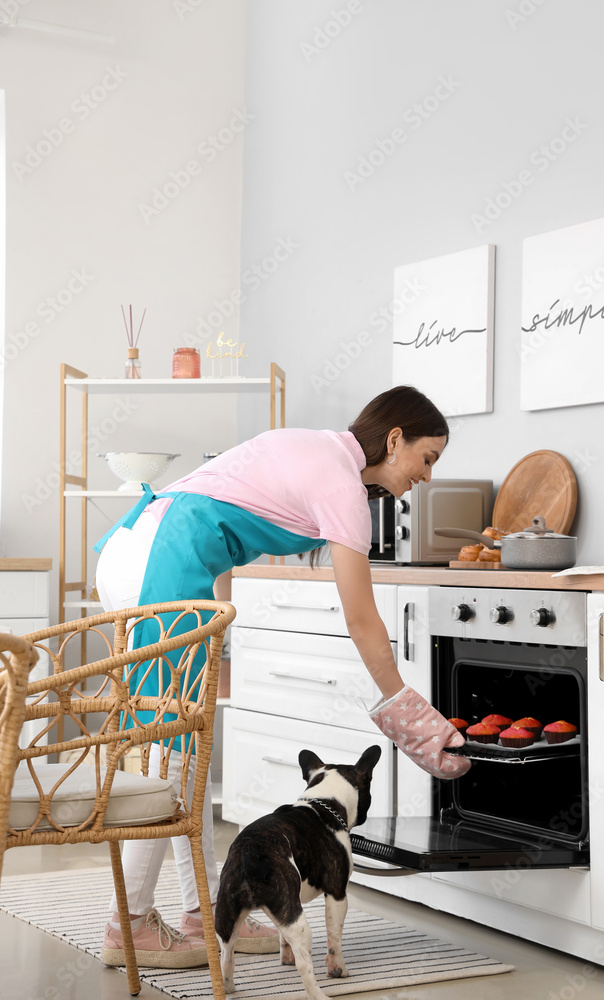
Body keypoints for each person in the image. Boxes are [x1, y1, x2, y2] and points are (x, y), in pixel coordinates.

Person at [94, 384, 470, 969]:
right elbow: (363, 619)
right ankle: (129, 924)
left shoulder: (324, 452)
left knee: (184, 753)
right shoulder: (342, 485)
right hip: (159, 561)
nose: (426, 475)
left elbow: (218, 503)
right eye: (428, 458)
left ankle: (210, 912)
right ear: (394, 440)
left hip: (148, 548)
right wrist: (412, 719)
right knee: (167, 757)